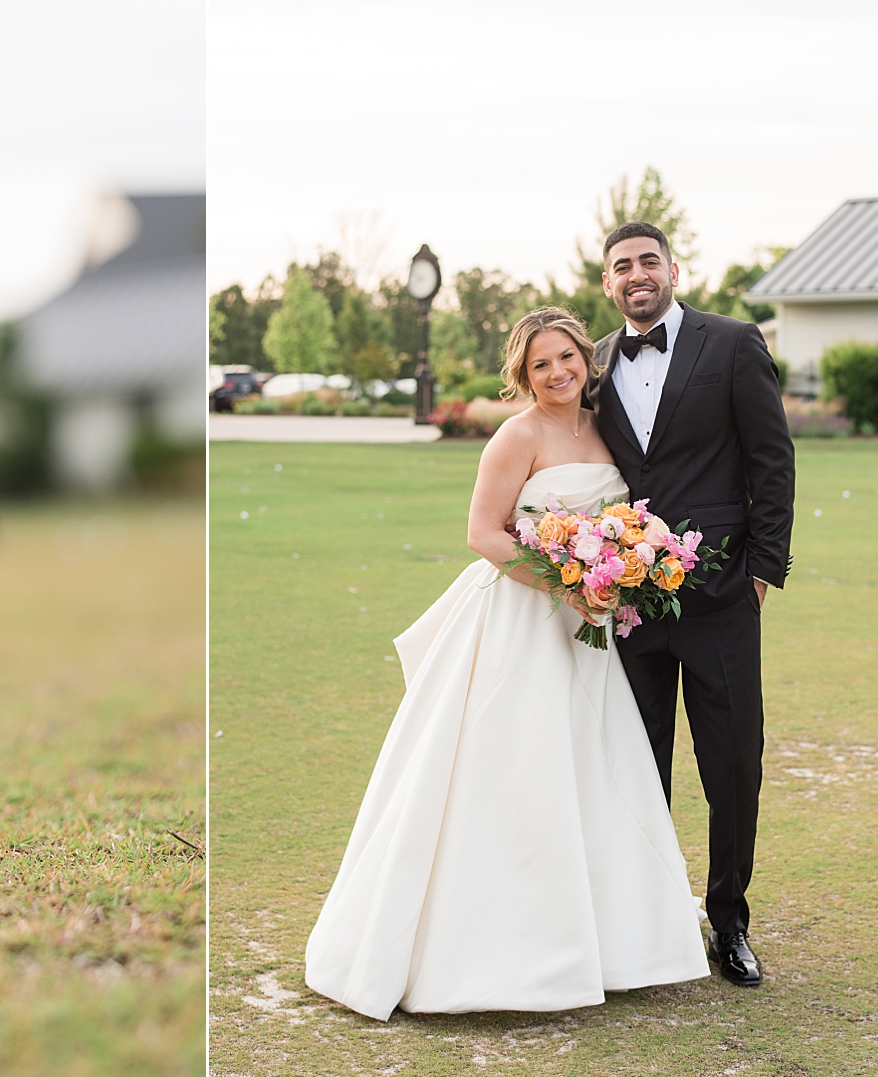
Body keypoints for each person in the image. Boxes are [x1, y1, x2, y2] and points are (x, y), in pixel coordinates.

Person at [305, 307, 709, 1021]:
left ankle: (613, 942)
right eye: (540, 365)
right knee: (516, 768)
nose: (556, 373)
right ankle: (504, 946)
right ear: (523, 373)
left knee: (593, 766)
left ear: (587, 358)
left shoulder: (600, 427)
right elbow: (482, 533)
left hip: (588, 625)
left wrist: (614, 573)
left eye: (566, 359)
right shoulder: (516, 434)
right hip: (522, 618)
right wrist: (567, 584)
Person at [585, 221, 795, 987]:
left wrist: (762, 571)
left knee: (734, 764)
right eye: (622, 266)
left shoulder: (732, 343)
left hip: (721, 600)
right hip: (630, 610)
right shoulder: (595, 365)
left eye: (648, 260)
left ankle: (729, 919)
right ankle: (647, 920)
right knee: (638, 765)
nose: (637, 274)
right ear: (607, 283)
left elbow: (771, 459)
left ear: (672, 268)